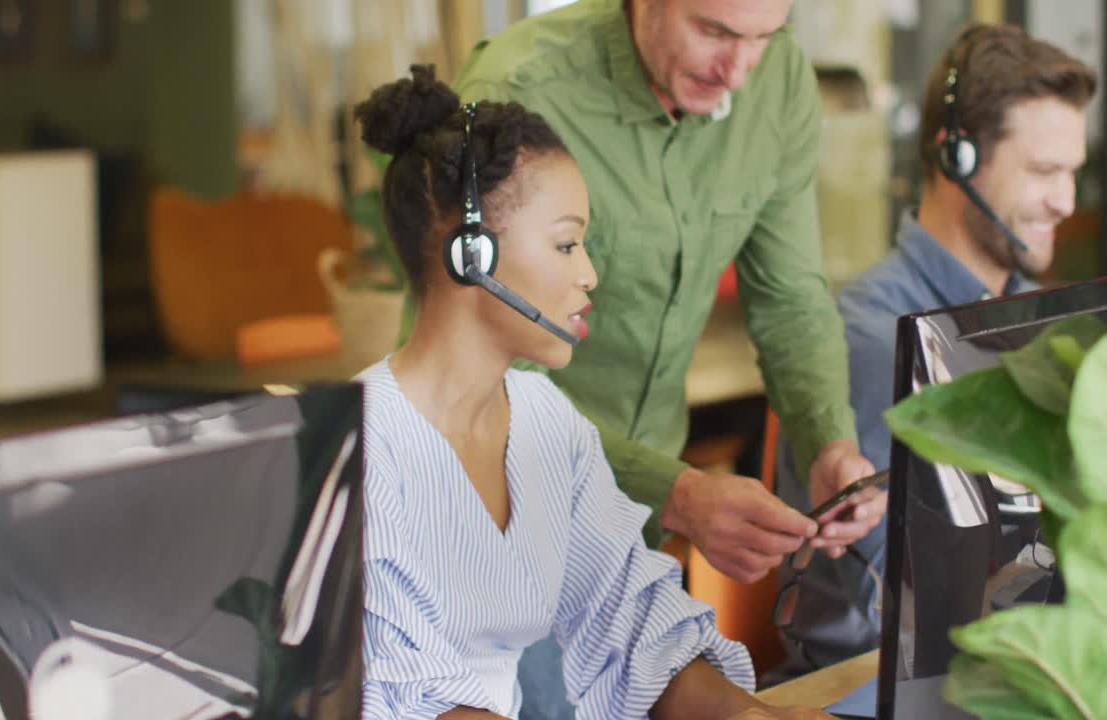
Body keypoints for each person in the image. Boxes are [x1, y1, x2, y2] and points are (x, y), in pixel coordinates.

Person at [353, 65, 836, 720]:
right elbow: (411, 701)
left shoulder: (546, 420)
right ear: (473, 256)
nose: (589, 274)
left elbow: (637, 633)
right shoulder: (360, 451)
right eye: (566, 243)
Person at [770, 22, 1107, 684]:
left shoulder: (1042, 320)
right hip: (871, 681)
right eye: (1045, 172)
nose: (1066, 201)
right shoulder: (878, 337)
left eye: (1073, 172)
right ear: (955, 157)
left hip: (1004, 667)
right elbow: (915, 604)